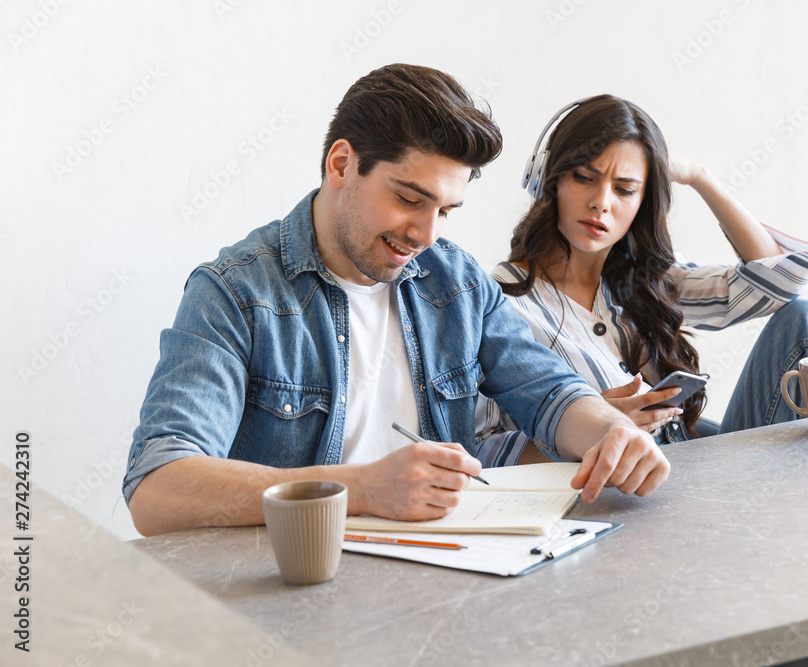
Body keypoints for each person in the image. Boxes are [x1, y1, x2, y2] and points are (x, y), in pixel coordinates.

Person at [474, 94, 808, 667]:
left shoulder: (642, 281)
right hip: (635, 506)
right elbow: (486, 446)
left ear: (645, 200)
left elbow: (779, 281)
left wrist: (699, 177)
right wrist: (590, 428)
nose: (600, 203)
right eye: (583, 178)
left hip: (706, 471)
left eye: (625, 189)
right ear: (549, 180)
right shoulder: (504, 302)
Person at [122, 66, 670, 538]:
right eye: (410, 199)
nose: (427, 234)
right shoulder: (236, 293)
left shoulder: (451, 279)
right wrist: (358, 488)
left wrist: (609, 433)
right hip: (297, 589)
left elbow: (549, 391)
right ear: (341, 165)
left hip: (446, 573)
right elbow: (157, 489)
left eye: (446, 210)